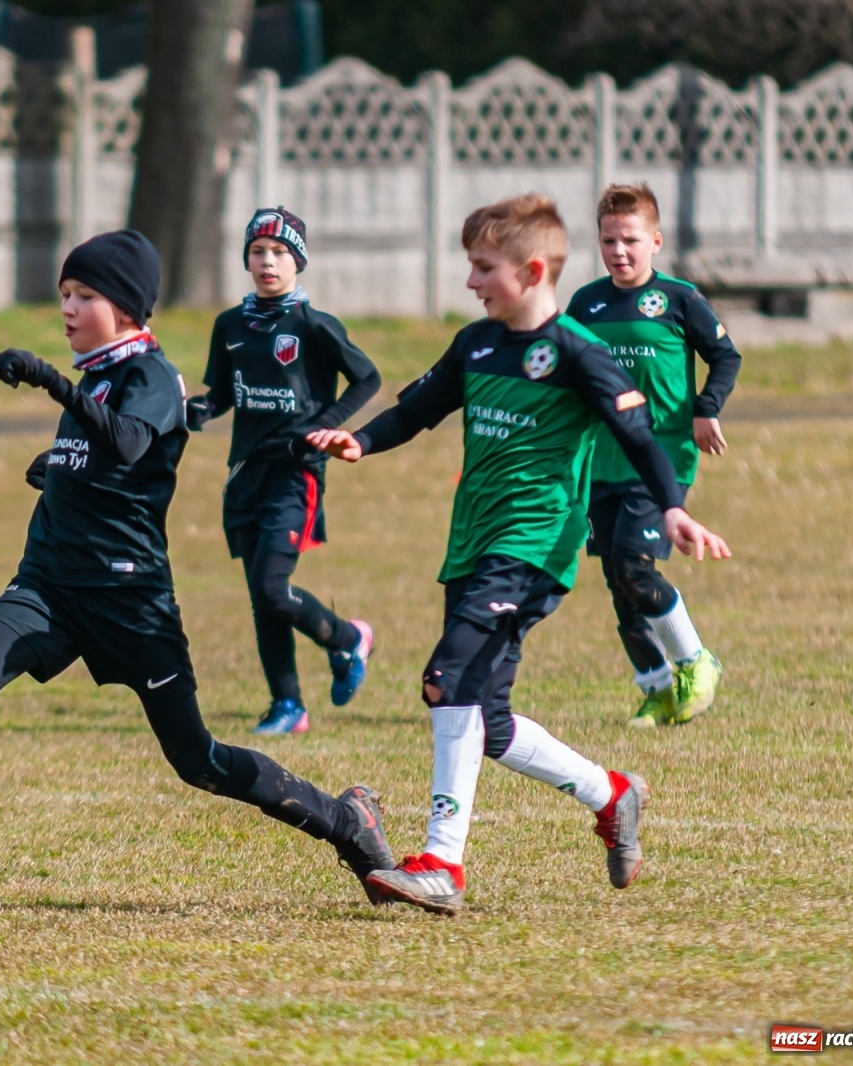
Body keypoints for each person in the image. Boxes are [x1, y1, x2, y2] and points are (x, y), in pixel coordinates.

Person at [0, 229, 395, 902]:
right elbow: (93, 457)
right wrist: (54, 465)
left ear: (125, 305)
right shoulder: (100, 377)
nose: (68, 308)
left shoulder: (150, 377)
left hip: (130, 600)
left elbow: (132, 443)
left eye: (84, 295)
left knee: (197, 761)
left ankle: (348, 821)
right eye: (63, 294)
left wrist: (51, 383)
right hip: (49, 585)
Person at [306, 195, 732, 915]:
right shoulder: (477, 342)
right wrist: (363, 440)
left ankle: (442, 862)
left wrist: (674, 507)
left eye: (483, 268)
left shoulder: (577, 352)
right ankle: (611, 793)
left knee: (449, 679)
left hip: (533, 546)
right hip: (473, 539)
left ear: (531, 270)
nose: (470, 282)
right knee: (490, 719)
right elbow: (419, 407)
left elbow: (636, 439)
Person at [186, 207, 383, 735]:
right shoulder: (230, 325)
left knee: (274, 589)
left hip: (296, 475)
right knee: (261, 596)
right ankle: (288, 706)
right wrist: (197, 410)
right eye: (258, 251)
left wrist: (328, 424)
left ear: (298, 260)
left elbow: (368, 378)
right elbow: (224, 395)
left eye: (279, 252)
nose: (268, 261)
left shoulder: (313, 325)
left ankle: (347, 639)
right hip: (245, 474)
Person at [566, 183, 742, 727]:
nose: (619, 251)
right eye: (608, 240)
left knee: (633, 566)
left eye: (630, 240)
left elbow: (725, 356)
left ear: (655, 241)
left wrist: (705, 408)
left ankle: (695, 659)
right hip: (601, 461)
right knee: (617, 582)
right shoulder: (586, 304)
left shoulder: (679, 298)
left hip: (659, 458)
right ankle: (657, 687)